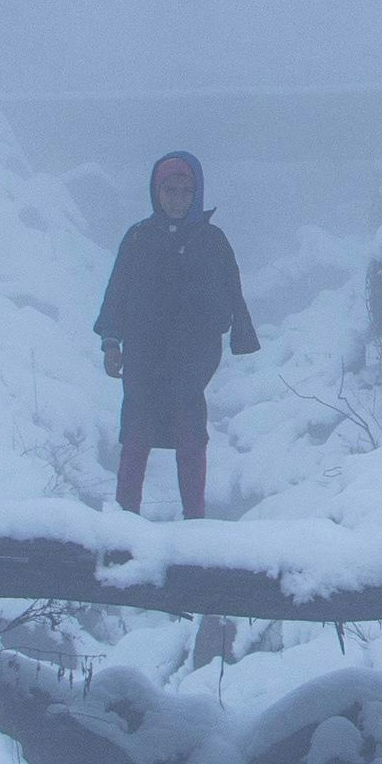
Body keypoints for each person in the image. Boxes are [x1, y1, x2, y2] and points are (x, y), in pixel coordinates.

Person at [93, 150, 258, 517]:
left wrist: (233, 331)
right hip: (143, 357)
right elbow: (117, 292)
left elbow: (232, 292)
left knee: (191, 438)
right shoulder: (138, 239)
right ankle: (124, 519)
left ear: (196, 193)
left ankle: (194, 523)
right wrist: (110, 341)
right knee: (135, 437)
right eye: (170, 190)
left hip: (192, 359)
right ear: (156, 192)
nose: (178, 199)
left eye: (186, 191)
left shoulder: (211, 241)